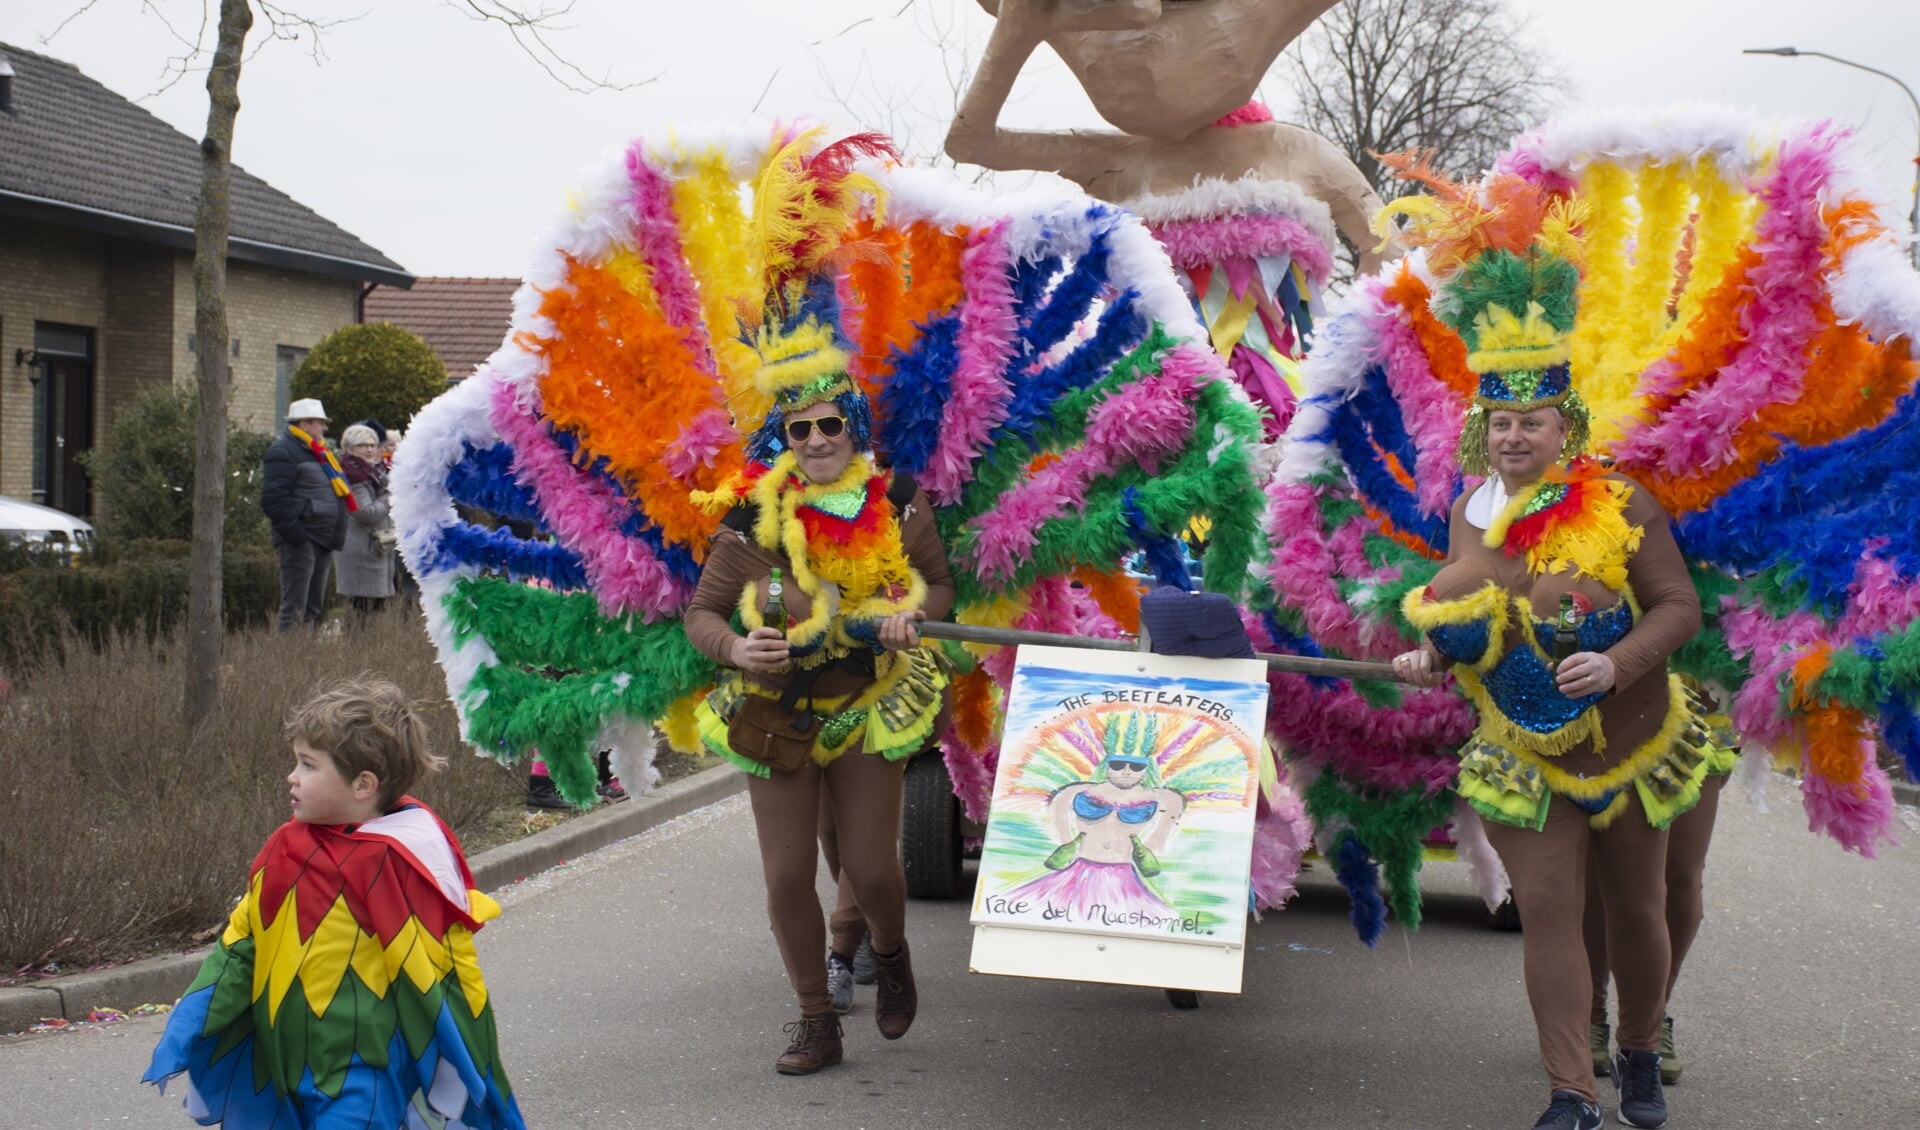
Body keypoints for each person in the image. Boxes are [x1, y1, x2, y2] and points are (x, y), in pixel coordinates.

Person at [1392, 227, 1705, 1129]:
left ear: (1566, 428)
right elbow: (1475, 616)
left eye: (1533, 422)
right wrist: (1430, 656)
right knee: (1551, 913)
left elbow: (1677, 608)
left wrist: (1616, 662)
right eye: (1502, 422)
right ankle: (1571, 1090)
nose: (1516, 436)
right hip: (1519, 748)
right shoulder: (1468, 511)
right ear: (1482, 431)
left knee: (1637, 910)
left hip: (1633, 745)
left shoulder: (1620, 502)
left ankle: (1638, 1049)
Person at [684, 320, 955, 1076]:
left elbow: (938, 582)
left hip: (867, 702)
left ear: (854, 427)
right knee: (783, 875)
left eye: (830, 423)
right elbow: (701, 613)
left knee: (870, 869)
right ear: (784, 438)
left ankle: (891, 955)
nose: (815, 438)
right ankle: (814, 1019)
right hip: (775, 710)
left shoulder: (897, 500)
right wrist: (738, 647)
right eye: (798, 428)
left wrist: (913, 612)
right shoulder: (751, 519)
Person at [144, 676, 525, 1127]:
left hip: (363, 1072)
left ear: (363, 784)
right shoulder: (285, 848)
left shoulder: (399, 859)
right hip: (283, 1061)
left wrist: (467, 1059)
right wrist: (192, 1021)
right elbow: (243, 944)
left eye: (308, 765)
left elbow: (440, 969)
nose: (292, 776)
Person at [1007, 726, 1187, 918]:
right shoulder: (1077, 791)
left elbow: (1164, 830)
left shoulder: (1162, 797)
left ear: (1146, 768)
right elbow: (1058, 816)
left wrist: (1147, 847)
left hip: (1123, 872)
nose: (1126, 772)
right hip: (1078, 870)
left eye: (1136, 766)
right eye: (1118, 765)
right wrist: (1067, 843)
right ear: (1107, 765)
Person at [260, 398, 352, 630]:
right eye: (320, 423)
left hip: (320, 538)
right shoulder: (284, 452)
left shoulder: (317, 452)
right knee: (295, 609)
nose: (324, 428)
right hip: (302, 539)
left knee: (312, 607)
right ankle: (289, 661)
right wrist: (298, 536)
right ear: (304, 424)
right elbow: (274, 500)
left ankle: (304, 660)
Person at [335, 423, 396, 622]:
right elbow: (366, 513)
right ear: (350, 449)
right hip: (361, 552)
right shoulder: (353, 476)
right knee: (362, 611)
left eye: (372, 445)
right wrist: (389, 496)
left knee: (374, 612)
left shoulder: (373, 472)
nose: (370, 450)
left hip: (374, 549)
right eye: (363, 445)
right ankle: (358, 651)